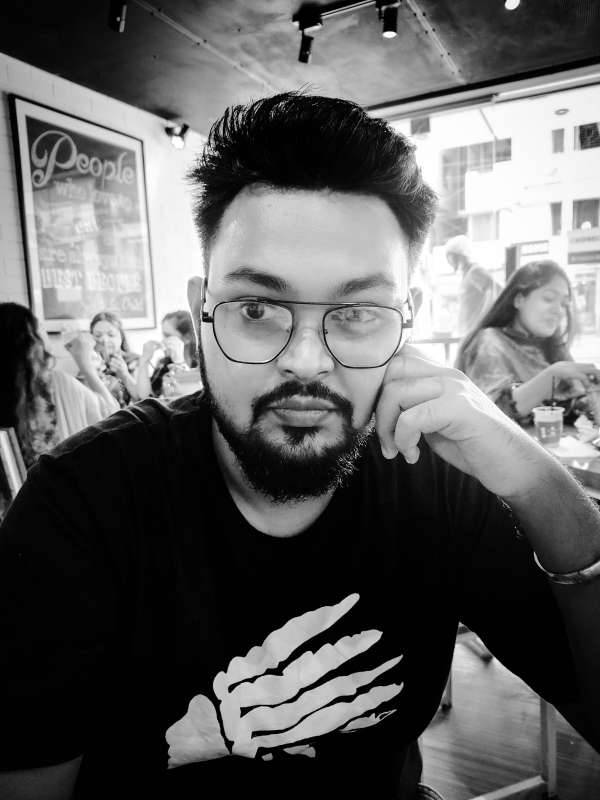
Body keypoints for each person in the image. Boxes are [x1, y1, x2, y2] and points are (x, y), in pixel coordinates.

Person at [1, 93, 599, 800]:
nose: (307, 361)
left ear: (404, 322)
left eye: (357, 312)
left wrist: (535, 478)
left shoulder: (436, 474)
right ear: (200, 310)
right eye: (257, 309)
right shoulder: (82, 503)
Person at [455, 260, 600, 424]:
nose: (558, 311)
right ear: (519, 300)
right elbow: (492, 412)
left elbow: (579, 405)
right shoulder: (489, 342)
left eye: (564, 304)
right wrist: (553, 375)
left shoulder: (554, 348)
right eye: (548, 299)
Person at [0, 302, 118, 470]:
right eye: (40, 327)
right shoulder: (56, 383)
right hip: (55, 482)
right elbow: (112, 418)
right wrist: (85, 364)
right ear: (34, 340)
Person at [444, 234, 500, 336]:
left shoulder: (475, 271)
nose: (449, 261)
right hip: (467, 333)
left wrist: (484, 321)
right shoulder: (466, 275)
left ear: (460, 256)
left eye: (451, 257)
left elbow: (495, 290)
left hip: (477, 333)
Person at [137, 310, 199, 399]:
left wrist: (179, 361)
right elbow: (144, 396)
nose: (163, 341)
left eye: (168, 336)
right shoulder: (163, 363)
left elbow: (190, 397)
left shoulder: (201, 363)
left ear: (187, 338)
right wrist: (144, 360)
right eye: (163, 335)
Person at [89, 310, 140, 406]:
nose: (104, 340)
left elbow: (142, 399)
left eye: (111, 335)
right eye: (98, 335)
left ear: (121, 336)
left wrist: (125, 375)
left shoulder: (135, 361)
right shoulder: (88, 363)